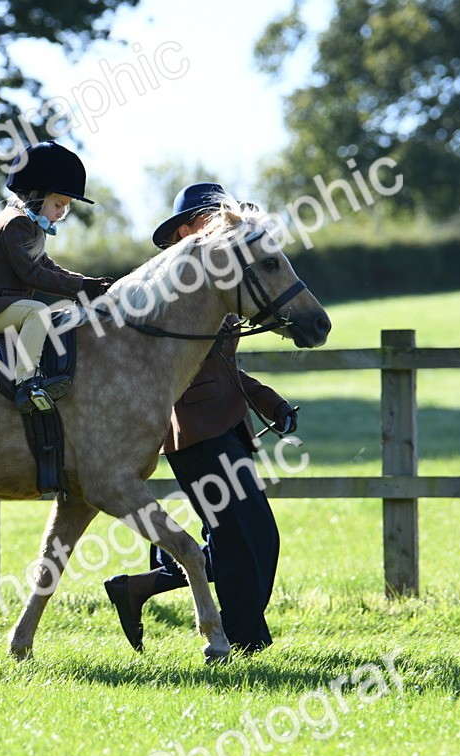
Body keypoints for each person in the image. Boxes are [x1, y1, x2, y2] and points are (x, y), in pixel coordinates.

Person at [102, 182, 299, 654]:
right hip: (192, 430)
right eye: (208, 221)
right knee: (241, 537)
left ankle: (141, 588)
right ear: (186, 231)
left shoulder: (215, 289)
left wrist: (268, 401)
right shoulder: (168, 293)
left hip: (226, 425)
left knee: (250, 535)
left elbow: (222, 363)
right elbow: (168, 367)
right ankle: (242, 640)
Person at [0, 141, 111, 413]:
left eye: (66, 206)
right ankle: (26, 383)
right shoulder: (15, 223)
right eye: (58, 203)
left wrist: (89, 283)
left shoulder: (29, 225)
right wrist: (80, 288)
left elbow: (50, 268)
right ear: (37, 196)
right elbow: (33, 274)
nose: (62, 212)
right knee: (37, 312)